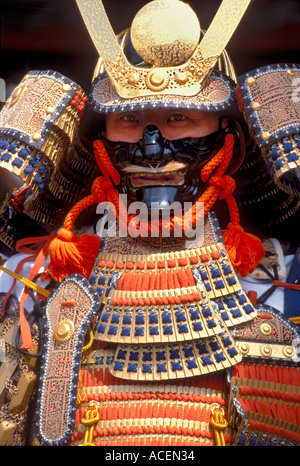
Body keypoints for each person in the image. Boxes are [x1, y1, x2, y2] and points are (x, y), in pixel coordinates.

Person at [0, 0, 299, 447]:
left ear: (228, 135)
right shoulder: (33, 280)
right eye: (129, 120)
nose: (153, 149)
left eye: (179, 117)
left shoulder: (283, 281)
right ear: (100, 138)